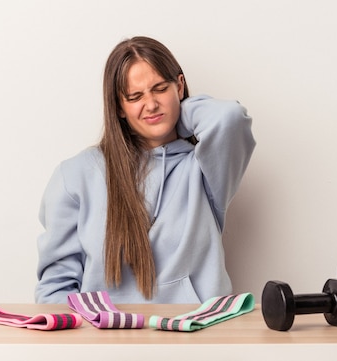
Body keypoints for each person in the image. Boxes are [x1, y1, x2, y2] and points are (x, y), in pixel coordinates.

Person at [35, 36, 255, 304]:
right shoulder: (75, 175)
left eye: (160, 89)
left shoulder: (205, 168)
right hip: (108, 339)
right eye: (135, 96)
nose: (150, 105)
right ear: (119, 106)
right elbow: (55, 291)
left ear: (180, 85)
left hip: (197, 333)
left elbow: (229, 118)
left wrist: (178, 113)